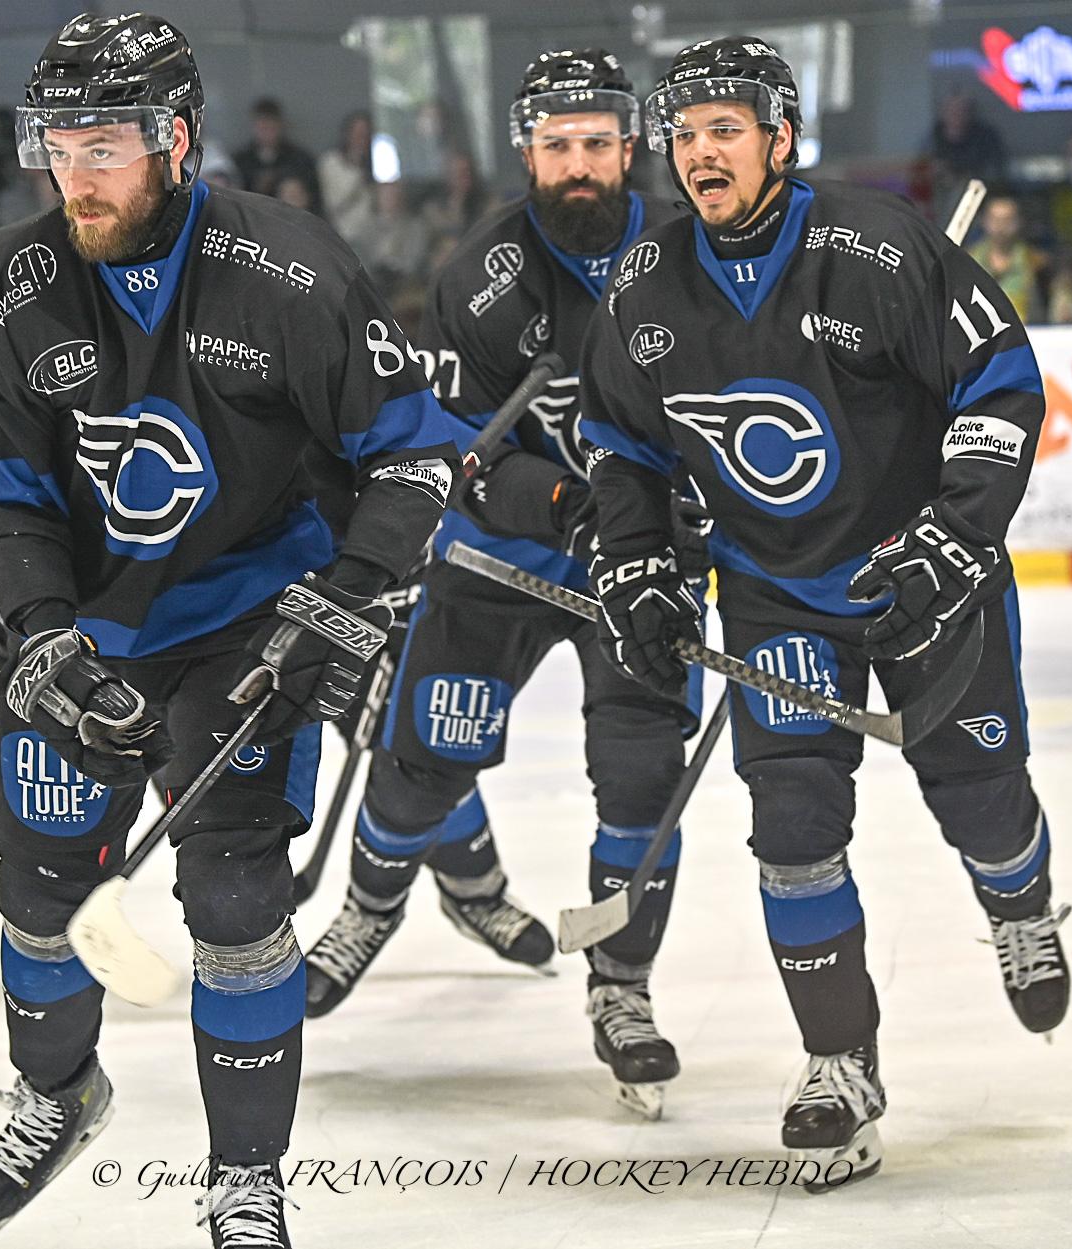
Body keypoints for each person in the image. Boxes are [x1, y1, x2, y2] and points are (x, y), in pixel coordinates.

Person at [0, 14, 455, 1245]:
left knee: (232, 899)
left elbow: (411, 455)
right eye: (57, 146)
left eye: (104, 146)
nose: (74, 175)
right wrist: (41, 636)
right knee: (39, 889)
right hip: (86, 632)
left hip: (249, 623)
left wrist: (349, 598)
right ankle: (57, 1094)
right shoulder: (12, 283)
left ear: (175, 139)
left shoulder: (289, 271)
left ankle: (244, 1177)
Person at [576, 38, 1070, 1189]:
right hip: (773, 594)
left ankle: (1020, 903)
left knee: (982, 801)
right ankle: (838, 1065)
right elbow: (618, 442)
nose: (699, 154)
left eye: (724, 131)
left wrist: (951, 539)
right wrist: (637, 561)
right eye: (684, 135)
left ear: (780, 139)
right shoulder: (645, 284)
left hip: (922, 577)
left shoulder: (877, 246)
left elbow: (999, 386)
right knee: (793, 830)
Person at [298, 48, 699, 1115]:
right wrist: (569, 507)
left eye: (597, 144)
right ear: (527, 152)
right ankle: (371, 907)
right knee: (424, 755)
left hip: (643, 571)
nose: (578, 164)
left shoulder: (691, 252)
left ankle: (620, 983)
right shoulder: (478, 278)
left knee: (641, 779)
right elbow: (467, 456)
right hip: (504, 559)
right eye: (557, 145)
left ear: (630, 147)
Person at [969, 196, 1049, 324]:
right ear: (984, 221)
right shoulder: (968, 260)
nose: (1000, 226)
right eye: (995, 219)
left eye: (1007, 220)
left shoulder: (1036, 262)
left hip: (1027, 331)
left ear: (1019, 222)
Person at [231, 96, 318, 208]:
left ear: (280, 125)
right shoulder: (241, 160)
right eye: (263, 127)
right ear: (254, 127)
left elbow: (313, 196)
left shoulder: (300, 159)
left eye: (271, 127)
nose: (267, 132)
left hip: (289, 214)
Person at [317, 110, 374, 244]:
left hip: (372, 239)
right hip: (341, 235)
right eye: (358, 133)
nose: (362, 139)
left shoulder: (379, 164)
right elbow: (331, 206)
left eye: (366, 134)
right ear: (347, 134)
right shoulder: (330, 163)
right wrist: (357, 176)